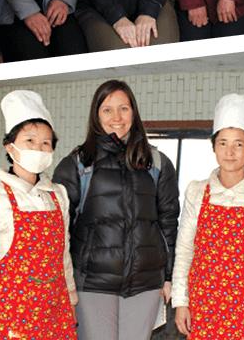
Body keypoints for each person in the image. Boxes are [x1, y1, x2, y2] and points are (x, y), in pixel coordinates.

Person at [53, 79, 179, 340]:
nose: (117, 118)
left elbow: (168, 223)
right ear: (96, 115)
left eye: (124, 108)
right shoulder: (78, 164)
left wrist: (168, 277)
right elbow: (57, 230)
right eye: (107, 110)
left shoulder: (157, 163)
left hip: (145, 282)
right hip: (92, 282)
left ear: (134, 112)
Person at [0, 89, 78, 340]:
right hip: (9, 317)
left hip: (55, 314)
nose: (38, 148)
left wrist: (71, 301)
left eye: (45, 143)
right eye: (30, 141)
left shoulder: (57, 195)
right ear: (10, 146)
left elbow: (63, 256)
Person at [172, 93, 244, 339]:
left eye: (239, 144)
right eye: (222, 143)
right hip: (203, 306)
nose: (229, 152)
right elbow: (185, 249)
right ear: (214, 147)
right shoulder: (197, 192)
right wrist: (180, 301)